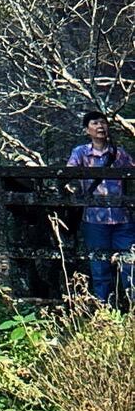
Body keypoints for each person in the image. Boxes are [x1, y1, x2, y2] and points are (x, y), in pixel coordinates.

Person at [66, 112, 135, 302]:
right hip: (94, 220)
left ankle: (131, 310)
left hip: (123, 219)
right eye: (95, 123)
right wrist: (73, 191)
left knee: (130, 267)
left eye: (103, 123)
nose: (100, 127)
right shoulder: (80, 152)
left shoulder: (118, 153)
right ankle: (104, 310)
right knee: (100, 268)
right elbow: (68, 175)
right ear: (86, 129)